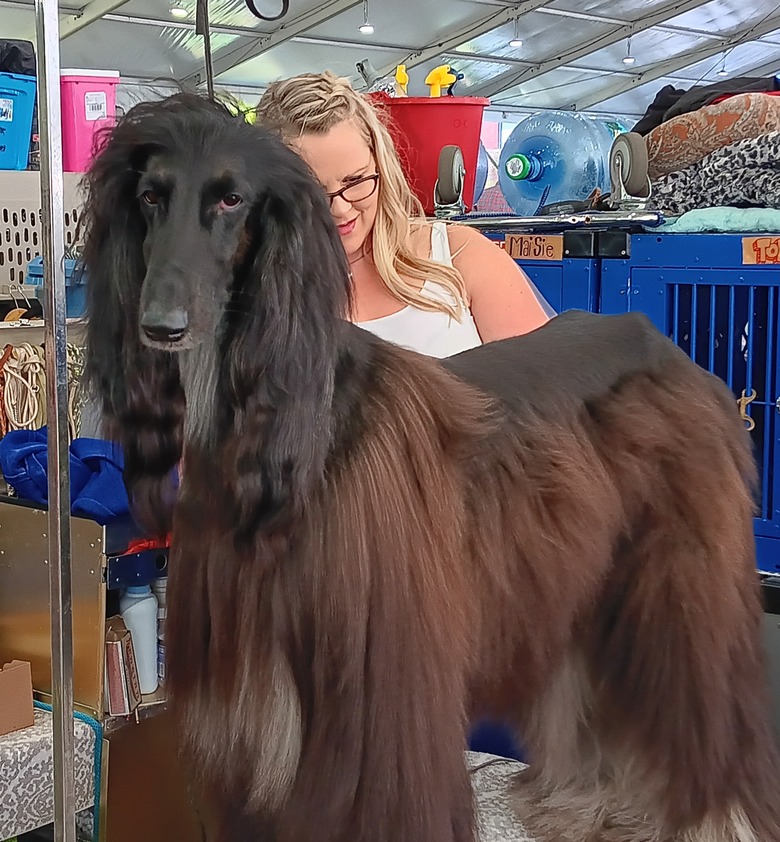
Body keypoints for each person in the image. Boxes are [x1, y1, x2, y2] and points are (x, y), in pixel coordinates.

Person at [256, 71, 551, 358]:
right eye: (313, 195)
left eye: (356, 181)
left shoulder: (460, 255)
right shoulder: (257, 296)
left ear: (381, 166)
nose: (340, 209)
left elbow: (548, 390)